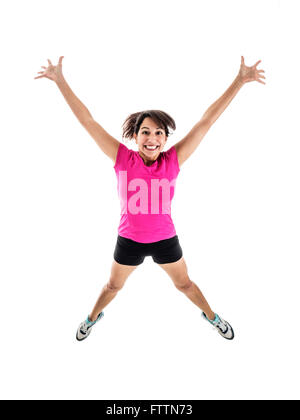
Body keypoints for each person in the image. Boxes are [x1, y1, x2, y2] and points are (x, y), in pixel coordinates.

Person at [34, 56, 265, 342]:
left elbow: (206, 121)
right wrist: (60, 81)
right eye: (145, 132)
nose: (152, 138)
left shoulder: (173, 160)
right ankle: (91, 319)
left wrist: (240, 81)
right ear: (135, 135)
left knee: (185, 285)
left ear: (165, 139)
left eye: (159, 133)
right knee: (111, 287)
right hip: (129, 240)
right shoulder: (122, 158)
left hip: (165, 239)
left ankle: (213, 317)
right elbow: (87, 120)